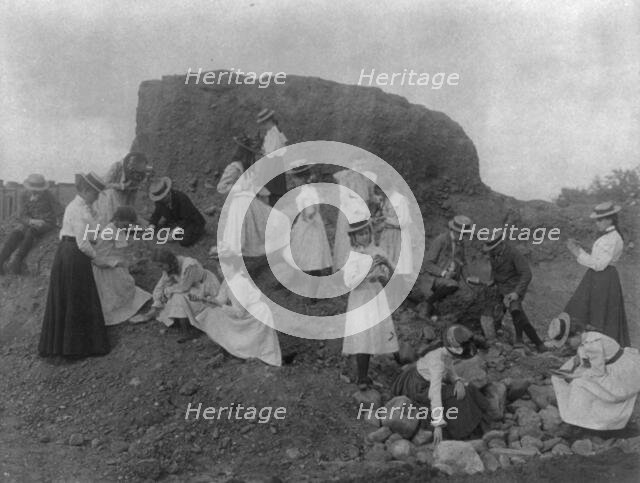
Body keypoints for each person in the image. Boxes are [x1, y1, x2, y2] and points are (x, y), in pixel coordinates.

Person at [38, 172, 110, 358]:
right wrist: (97, 259)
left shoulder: (85, 207)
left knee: (76, 298)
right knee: (72, 298)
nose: (96, 197)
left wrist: (97, 218)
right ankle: (70, 349)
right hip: (72, 254)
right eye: (95, 193)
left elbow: (93, 235)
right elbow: (83, 242)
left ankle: (78, 346)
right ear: (86, 191)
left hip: (74, 255)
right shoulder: (77, 209)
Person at [391, 325, 495, 444]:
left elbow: (450, 371)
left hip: (426, 378)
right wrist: (438, 425)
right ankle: (469, 432)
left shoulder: (445, 353)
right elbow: (434, 393)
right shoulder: (437, 363)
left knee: (468, 388)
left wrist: (458, 381)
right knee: (459, 397)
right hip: (420, 387)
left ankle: (486, 421)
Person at [193, 242, 282, 366]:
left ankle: (236, 351)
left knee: (218, 316)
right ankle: (226, 348)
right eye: (218, 267)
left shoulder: (238, 284)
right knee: (211, 313)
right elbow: (220, 299)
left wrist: (220, 307)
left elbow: (239, 312)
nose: (218, 270)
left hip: (254, 319)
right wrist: (204, 300)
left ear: (231, 266)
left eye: (221, 267)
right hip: (244, 314)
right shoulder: (228, 280)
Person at [341, 211, 399, 390]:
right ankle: (361, 377)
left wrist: (386, 266)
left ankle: (374, 373)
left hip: (376, 296)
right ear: (354, 237)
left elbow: (391, 281)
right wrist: (368, 270)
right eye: (360, 234)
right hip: (360, 298)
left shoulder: (378, 251)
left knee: (377, 333)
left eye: (366, 232)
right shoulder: (353, 256)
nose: (364, 237)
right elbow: (349, 283)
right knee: (363, 335)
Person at [563, 202, 629, 346]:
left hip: (604, 278)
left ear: (610, 219)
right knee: (586, 308)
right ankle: (580, 344)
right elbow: (597, 259)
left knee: (599, 312)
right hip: (597, 277)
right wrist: (580, 249)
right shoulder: (607, 237)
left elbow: (599, 264)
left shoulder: (612, 238)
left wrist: (576, 251)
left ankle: (597, 347)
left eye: (600, 219)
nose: (597, 223)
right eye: (596, 220)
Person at [212, 134, 289, 257]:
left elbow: (255, 185)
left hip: (250, 201)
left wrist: (262, 192)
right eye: (251, 154)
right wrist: (241, 188)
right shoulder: (234, 168)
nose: (253, 157)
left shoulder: (248, 167)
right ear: (244, 154)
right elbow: (221, 188)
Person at [550, 326, 640, 431]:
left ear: (578, 334)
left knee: (579, 384)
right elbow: (587, 356)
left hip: (619, 370)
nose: (567, 346)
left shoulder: (592, 344)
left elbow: (598, 372)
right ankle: (577, 413)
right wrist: (579, 360)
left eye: (568, 342)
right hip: (606, 363)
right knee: (568, 370)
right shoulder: (587, 337)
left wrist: (574, 376)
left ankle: (581, 418)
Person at [481, 229, 546, 352]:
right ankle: (504, 335)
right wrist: (491, 280)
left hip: (513, 288)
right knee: (494, 311)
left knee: (517, 312)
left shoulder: (513, 254)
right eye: (490, 250)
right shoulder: (493, 253)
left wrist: (516, 293)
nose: (491, 252)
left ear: (501, 244)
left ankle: (534, 342)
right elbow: (495, 269)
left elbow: (526, 274)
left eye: (494, 249)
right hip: (500, 287)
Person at [91, 206, 152, 325]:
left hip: (111, 262)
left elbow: (120, 249)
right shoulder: (109, 231)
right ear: (117, 219)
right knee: (113, 293)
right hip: (104, 266)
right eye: (125, 225)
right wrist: (117, 263)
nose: (126, 228)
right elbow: (97, 257)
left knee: (125, 282)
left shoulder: (115, 228)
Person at [145, 249, 220, 341]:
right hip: (188, 287)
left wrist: (167, 291)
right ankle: (184, 322)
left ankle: (189, 329)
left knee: (178, 298)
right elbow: (161, 285)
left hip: (204, 287)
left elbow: (184, 287)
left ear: (167, 261)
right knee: (173, 296)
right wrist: (156, 304)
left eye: (161, 265)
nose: (161, 269)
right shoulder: (169, 267)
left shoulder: (189, 266)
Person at [289, 163, 332, 299]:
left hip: (310, 226)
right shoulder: (306, 189)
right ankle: (297, 279)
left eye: (295, 178)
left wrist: (308, 215)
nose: (293, 181)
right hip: (305, 224)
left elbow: (311, 209)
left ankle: (312, 294)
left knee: (314, 258)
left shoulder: (308, 192)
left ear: (302, 178)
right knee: (300, 252)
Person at [0, 174, 58, 275]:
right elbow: (21, 215)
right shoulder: (24, 195)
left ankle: (18, 260)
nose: (36, 192)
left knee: (31, 232)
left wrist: (57, 223)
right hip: (30, 221)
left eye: (38, 190)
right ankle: (1, 260)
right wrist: (31, 221)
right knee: (16, 233)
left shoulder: (49, 195)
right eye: (34, 190)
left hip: (46, 222)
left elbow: (59, 210)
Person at [371, 179, 414, 306]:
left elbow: (404, 222)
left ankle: (398, 298)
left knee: (398, 267)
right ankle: (389, 296)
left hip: (398, 236)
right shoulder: (385, 200)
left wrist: (386, 219)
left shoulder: (400, 200)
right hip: (388, 236)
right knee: (387, 265)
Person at [421, 215, 472, 317]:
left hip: (450, 279)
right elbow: (427, 264)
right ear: (455, 230)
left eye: (465, 234)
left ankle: (436, 310)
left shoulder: (460, 244)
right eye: (463, 234)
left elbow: (462, 264)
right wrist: (444, 273)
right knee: (453, 285)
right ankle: (428, 303)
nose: (464, 236)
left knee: (463, 292)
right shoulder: (441, 240)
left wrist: (468, 279)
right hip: (434, 278)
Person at [332, 163, 377, 272]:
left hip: (364, 214)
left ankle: (366, 266)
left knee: (365, 239)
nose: (359, 167)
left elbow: (371, 197)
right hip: (350, 214)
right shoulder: (346, 178)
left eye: (362, 163)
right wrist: (359, 210)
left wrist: (373, 204)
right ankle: (348, 268)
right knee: (348, 240)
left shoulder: (367, 178)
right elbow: (344, 199)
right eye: (357, 164)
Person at [94, 152, 152, 226]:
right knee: (111, 193)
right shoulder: (117, 167)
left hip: (122, 201)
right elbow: (103, 186)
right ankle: (111, 224)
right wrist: (122, 186)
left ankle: (126, 221)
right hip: (106, 200)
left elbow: (132, 197)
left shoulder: (139, 174)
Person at [148, 177, 206, 247]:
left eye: (162, 198)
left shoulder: (181, 198)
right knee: (162, 226)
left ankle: (200, 232)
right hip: (177, 221)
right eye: (159, 199)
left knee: (184, 241)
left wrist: (173, 233)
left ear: (168, 193)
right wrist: (151, 226)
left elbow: (186, 219)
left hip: (191, 221)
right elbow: (157, 213)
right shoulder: (159, 202)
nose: (161, 201)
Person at [256, 108, 288, 207]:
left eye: (265, 123)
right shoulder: (269, 133)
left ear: (269, 121)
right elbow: (267, 148)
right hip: (271, 162)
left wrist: (266, 153)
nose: (264, 126)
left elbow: (278, 149)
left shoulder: (276, 131)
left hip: (275, 163)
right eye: (263, 124)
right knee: (270, 189)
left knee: (274, 188)